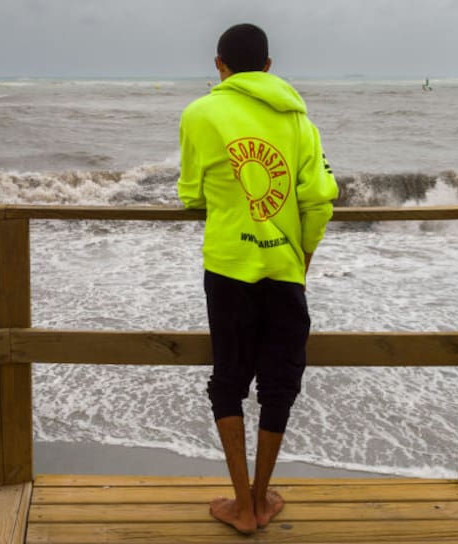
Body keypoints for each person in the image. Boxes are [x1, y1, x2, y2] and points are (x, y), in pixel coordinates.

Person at [176, 23, 339, 534]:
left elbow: (190, 194)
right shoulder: (300, 121)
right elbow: (319, 200)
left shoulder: (200, 113)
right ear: (268, 66)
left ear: (218, 64)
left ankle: (242, 503)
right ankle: (263, 495)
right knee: (280, 381)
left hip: (227, 266)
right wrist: (302, 260)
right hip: (285, 268)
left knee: (228, 380)